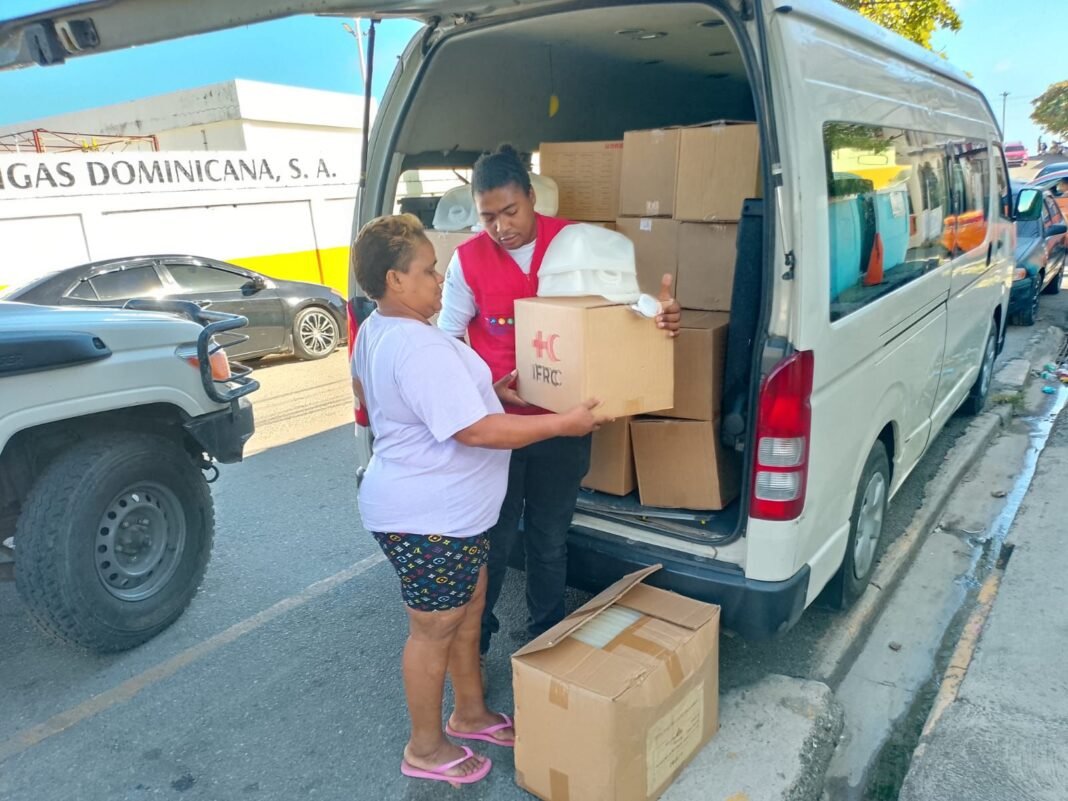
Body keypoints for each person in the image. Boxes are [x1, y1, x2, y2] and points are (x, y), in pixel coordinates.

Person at [350, 214, 602, 787]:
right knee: (433, 630)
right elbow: (477, 432)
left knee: (467, 616)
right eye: (428, 269)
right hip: (426, 519)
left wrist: (494, 388)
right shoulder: (415, 344)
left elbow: (376, 395)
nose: (439, 279)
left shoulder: (381, 328)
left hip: (454, 518)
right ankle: (426, 746)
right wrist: (564, 423)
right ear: (395, 279)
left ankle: (470, 712)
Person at [437, 145, 682, 663]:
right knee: (494, 542)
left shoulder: (577, 244)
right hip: (499, 430)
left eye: (510, 212)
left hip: (564, 426)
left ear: (532, 199)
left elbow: (620, 314)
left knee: (549, 539)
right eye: (487, 217)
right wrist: (485, 386)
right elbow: (448, 337)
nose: (500, 227)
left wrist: (657, 317)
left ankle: (545, 636)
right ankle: (475, 641)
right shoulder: (469, 259)